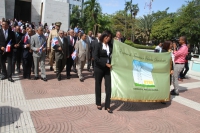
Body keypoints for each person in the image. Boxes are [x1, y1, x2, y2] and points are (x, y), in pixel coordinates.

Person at [94, 30, 113, 113]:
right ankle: (98, 103)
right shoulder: (98, 45)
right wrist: (105, 64)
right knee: (98, 85)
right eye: (107, 37)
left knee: (108, 87)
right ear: (103, 36)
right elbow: (95, 58)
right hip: (99, 68)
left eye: (109, 37)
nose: (108, 39)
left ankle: (108, 105)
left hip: (108, 69)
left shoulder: (110, 45)